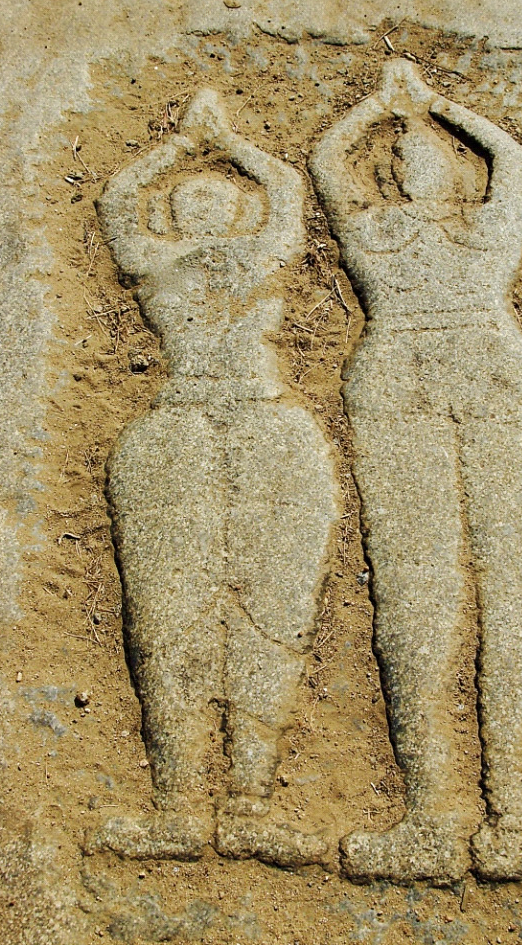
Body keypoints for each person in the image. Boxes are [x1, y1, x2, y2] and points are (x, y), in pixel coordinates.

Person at [310, 59, 522, 886]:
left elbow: (513, 162)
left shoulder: (486, 227)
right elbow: (331, 163)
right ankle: (430, 813)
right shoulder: (373, 231)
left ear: (452, 164)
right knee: (414, 590)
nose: (411, 160)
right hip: (397, 378)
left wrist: (431, 104)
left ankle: (514, 813)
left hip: (498, 375)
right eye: (399, 156)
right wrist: (381, 105)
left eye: (426, 151)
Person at [86, 89, 337, 866]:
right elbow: (120, 202)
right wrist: (181, 146)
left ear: (235, 214)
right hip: (176, 420)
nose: (199, 207)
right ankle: (175, 805)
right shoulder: (156, 261)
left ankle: (252, 802)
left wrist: (230, 144)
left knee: (274, 607)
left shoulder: (263, 253)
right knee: (167, 614)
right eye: (187, 201)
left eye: (214, 198)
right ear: (175, 219)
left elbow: (289, 196)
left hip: (268, 420)